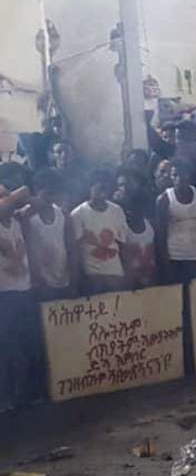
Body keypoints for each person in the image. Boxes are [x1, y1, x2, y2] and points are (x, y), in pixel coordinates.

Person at [0, 183, 40, 409]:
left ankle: (22, 396)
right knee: (8, 349)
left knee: (25, 345)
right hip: (4, 295)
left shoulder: (16, 221)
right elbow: (23, 193)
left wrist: (11, 199)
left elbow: (31, 197)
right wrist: (12, 197)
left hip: (24, 290)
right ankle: (8, 397)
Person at [19, 170, 75, 301]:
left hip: (63, 279)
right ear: (37, 190)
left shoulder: (63, 215)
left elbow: (71, 249)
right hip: (38, 281)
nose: (52, 196)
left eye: (55, 192)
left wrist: (74, 278)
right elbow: (25, 249)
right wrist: (36, 277)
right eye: (48, 192)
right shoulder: (25, 215)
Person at [71, 168, 128, 294]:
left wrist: (127, 274)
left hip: (115, 274)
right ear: (90, 187)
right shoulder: (78, 214)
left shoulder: (117, 210)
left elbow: (123, 244)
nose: (103, 191)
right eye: (100, 187)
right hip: (92, 275)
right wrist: (78, 279)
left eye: (106, 187)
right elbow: (75, 250)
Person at [155, 159, 196, 284]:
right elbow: (161, 234)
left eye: (183, 174)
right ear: (171, 177)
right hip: (175, 256)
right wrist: (165, 263)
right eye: (175, 175)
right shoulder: (164, 199)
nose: (180, 178)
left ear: (190, 175)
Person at [115, 171, 158, 288]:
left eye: (137, 206)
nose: (132, 210)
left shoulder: (151, 226)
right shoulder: (122, 228)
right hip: (130, 283)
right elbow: (122, 259)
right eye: (129, 207)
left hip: (151, 280)